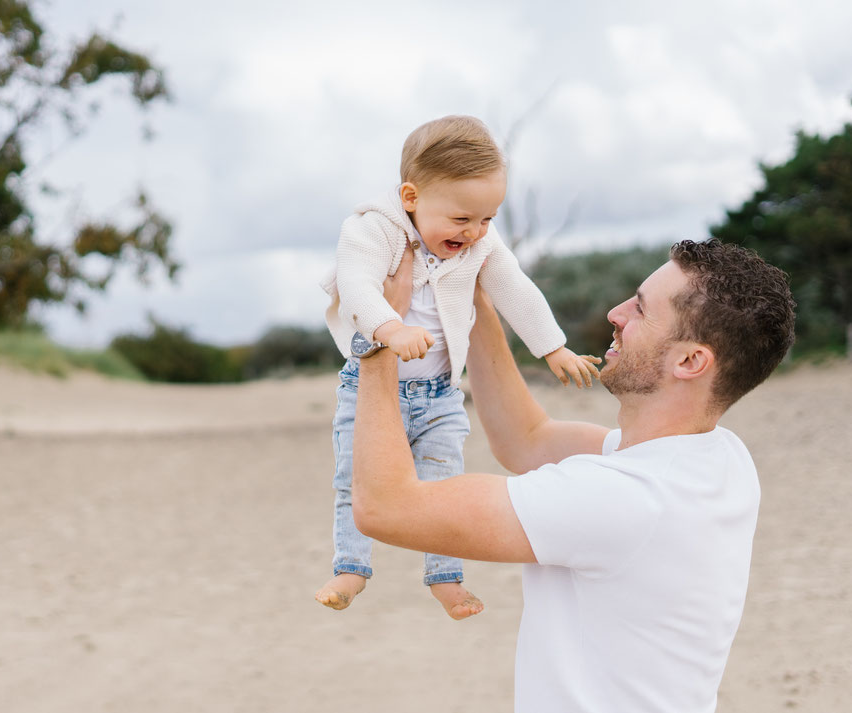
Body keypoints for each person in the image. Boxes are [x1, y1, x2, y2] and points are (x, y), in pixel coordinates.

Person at [350, 238, 796, 712]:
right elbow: (527, 438)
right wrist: (475, 301)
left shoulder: (625, 497)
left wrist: (379, 335)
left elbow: (384, 507)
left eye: (641, 311)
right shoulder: (718, 456)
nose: (615, 313)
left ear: (690, 361)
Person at [315, 115, 599, 619]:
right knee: (352, 479)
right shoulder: (371, 229)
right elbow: (357, 284)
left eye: (488, 219)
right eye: (462, 218)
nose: (475, 233)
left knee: (444, 483)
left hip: (440, 394)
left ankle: (445, 577)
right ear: (411, 197)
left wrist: (552, 348)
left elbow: (515, 288)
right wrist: (390, 328)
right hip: (368, 387)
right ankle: (351, 568)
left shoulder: (481, 243)